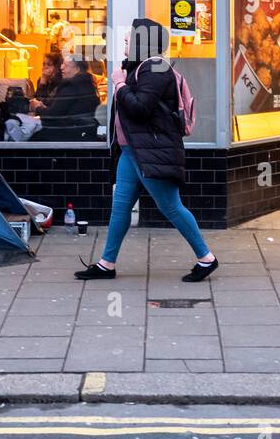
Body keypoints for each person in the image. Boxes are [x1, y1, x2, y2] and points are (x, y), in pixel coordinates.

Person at [75, 18, 218, 284]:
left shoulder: (155, 69)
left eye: (130, 38)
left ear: (143, 41)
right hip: (133, 152)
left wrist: (119, 84)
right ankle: (107, 263)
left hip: (152, 151)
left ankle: (206, 258)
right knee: (120, 208)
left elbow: (140, 108)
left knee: (171, 206)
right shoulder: (140, 68)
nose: (126, 41)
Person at [36, 56, 100, 141]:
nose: (61, 67)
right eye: (62, 64)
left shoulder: (72, 86)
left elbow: (53, 115)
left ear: (77, 69)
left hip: (69, 135)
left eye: (66, 65)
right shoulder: (85, 83)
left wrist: (36, 108)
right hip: (80, 132)